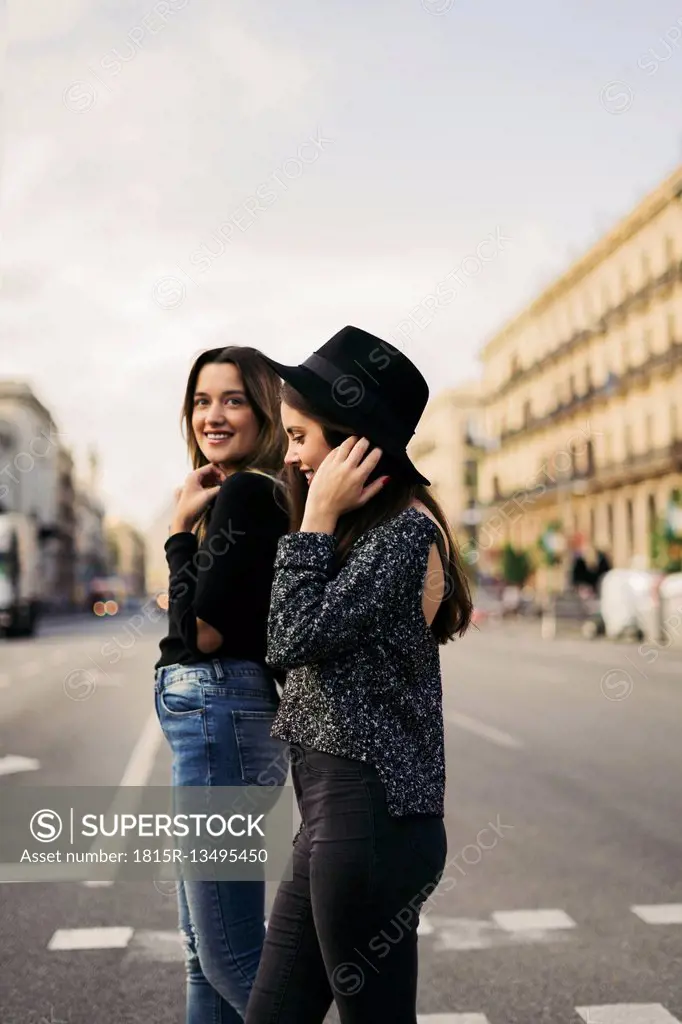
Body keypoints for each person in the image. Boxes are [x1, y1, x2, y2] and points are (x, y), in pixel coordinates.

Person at [245, 326, 473, 1024]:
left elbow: (287, 639)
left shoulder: (403, 534)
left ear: (350, 438)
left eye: (300, 437)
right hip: (334, 815)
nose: (291, 455)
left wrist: (314, 519)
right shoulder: (371, 530)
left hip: (370, 817)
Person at [154, 345, 290, 1024]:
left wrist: (179, 532)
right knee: (203, 954)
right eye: (202, 401)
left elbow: (200, 632)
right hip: (228, 715)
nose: (213, 414)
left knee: (228, 955)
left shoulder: (245, 492)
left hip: (220, 711)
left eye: (233, 399)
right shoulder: (249, 493)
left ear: (264, 410)